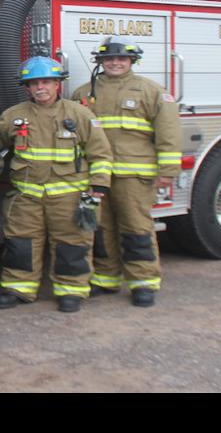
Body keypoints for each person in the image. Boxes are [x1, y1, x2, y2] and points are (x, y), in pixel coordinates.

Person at [0, 57, 113, 313]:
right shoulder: (14, 116)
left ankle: (71, 290)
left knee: (72, 243)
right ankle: (18, 288)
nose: (40, 88)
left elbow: (100, 153)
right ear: (27, 87)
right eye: (34, 83)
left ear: (58, 84)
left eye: (46, 82)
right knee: (21, 243)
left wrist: (99, 186)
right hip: (26, 196)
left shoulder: (79, 114)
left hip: (70, 196)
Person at [71, 36, 182, 307]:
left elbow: (168, 134)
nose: (115, 63)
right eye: (109, 58)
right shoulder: (83, 93)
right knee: (100, 228)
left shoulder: (151, 91)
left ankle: (143, 282)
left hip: (134, 175)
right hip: (96, 176)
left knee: (136, 229)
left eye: (121, 58)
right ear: (100, 61)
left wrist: (167, 171)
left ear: (132, 60)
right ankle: (106, 278)